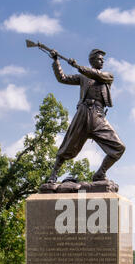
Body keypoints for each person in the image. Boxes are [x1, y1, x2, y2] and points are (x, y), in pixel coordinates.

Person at [47, 48, 125, 184]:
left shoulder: (107, 76)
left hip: (98, 116)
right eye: (99, 59)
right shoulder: (83, 76)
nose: (102, 61)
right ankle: (53, 174)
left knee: (119, 147)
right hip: (83, 113)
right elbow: (62, 78)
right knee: (68, 144)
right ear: (92, 60)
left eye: (103, 59)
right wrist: (56, 61)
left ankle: (100, 173)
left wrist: (77, 66)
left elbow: (96, 75)